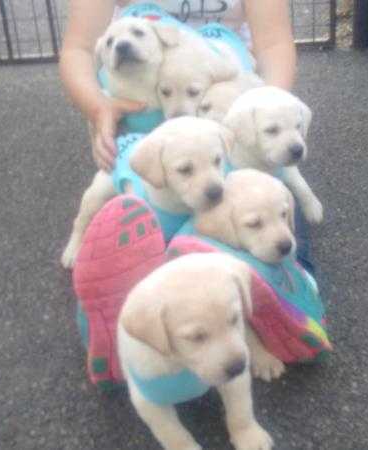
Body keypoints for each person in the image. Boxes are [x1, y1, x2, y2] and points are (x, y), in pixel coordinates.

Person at [59, 0, 314, 273]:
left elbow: (273, 44)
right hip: (142, 108)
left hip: (223, 98)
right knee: (136, 252)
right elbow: (80, 48)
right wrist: (98, 108)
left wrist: (267, 108)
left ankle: (278, 293)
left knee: (268, 230)